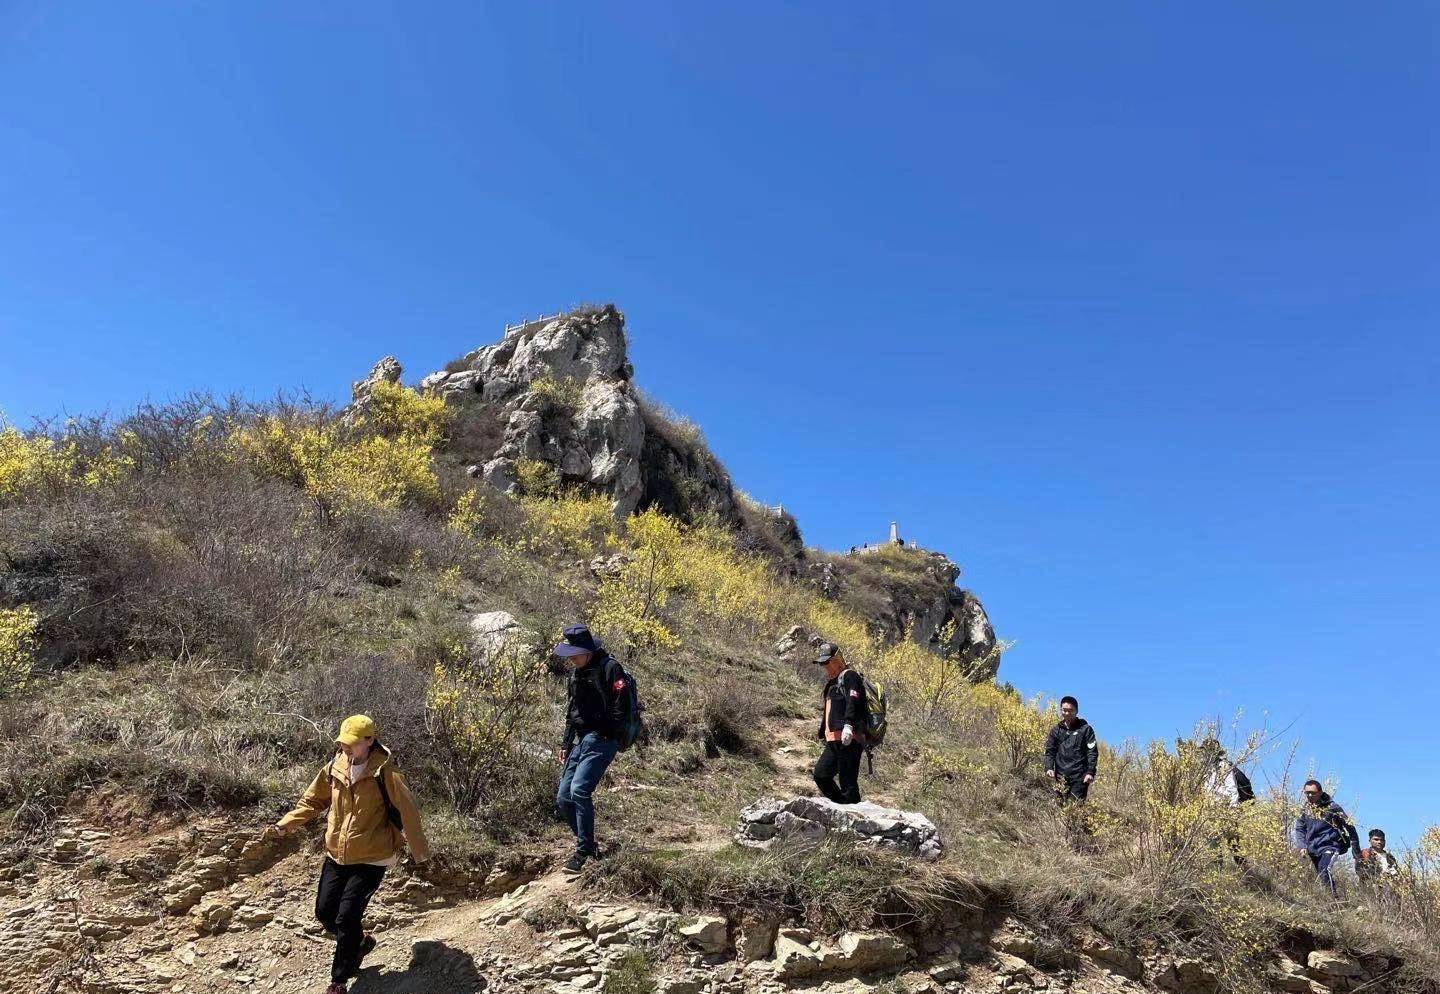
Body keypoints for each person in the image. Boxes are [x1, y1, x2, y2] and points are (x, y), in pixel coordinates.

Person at [261, 715, 428, 994]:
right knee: (325, 912)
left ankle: (339, 978)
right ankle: (359, 943)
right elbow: (313, 801)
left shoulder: (386, 773)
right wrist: (285, 824)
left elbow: (409, 812)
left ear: (370, 741)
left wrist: (420, 854)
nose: (346, 748)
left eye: (351, 744)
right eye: (342, 743)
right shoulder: (334, 767)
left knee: (346, 917)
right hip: (337, 853)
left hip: (372, 856)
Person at [555, 623, 628, 873]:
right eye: (570, 654)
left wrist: (607, 733)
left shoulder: (610, 668)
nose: (571, 658)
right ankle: (589, 845)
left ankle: (583, 851)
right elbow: (571, 712)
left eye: (575, 653)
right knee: (564, 798)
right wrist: (566, 743)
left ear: (588, 650)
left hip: (602, 740)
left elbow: (621, 705)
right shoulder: (576, 674)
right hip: (581, 740)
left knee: (579, 790)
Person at [812, 642, 867, 805]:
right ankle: (841, 807)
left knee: (848, 783)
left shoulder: (850, 676)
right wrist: (823, 733)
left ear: (837, 659)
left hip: (849, 738)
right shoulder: (831, 684)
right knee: (821, 775)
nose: (825, 666)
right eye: (822, 663)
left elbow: (853, 701)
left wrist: (849, 725)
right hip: (833, 740)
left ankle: (855, 818)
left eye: (827, 662)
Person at [1290, 779, 1362, 895]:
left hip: (1330, 845)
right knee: (1321, 874)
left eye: (1312, 793)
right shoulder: (1305, 810)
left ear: (1320, 792)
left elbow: (1349, 825)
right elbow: (1300, 828)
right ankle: (1331, 898)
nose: (1309, 795)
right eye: (1307, 793)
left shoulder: (1332, 807)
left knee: (1324, 869)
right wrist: (1302, 846)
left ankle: (1332, 900)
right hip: (1313, 847)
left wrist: (1355, 847)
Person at [1044, 696, 1098, 803]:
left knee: (1075, 809)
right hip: (1060, 776)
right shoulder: (1056, 730)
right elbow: (1050, 751)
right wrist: (1049, 767)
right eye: (1064, 710)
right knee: (1061, 808)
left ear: (1076, 711)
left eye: (1070, 710)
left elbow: (1092, 752)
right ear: (1061, 710)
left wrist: (1090, 772)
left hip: (1079, 777)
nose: (1067, 713)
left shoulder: (1085, 729)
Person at [1357, 828, 1401, 902]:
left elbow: (1396, 873)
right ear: (1370, 841)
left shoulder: (1390, 857)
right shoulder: (1365, 854)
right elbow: (1359, 871)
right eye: (1376, 839)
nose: (1379, 842)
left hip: (1389, 892)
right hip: (1371, 890)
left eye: (1382, 840)